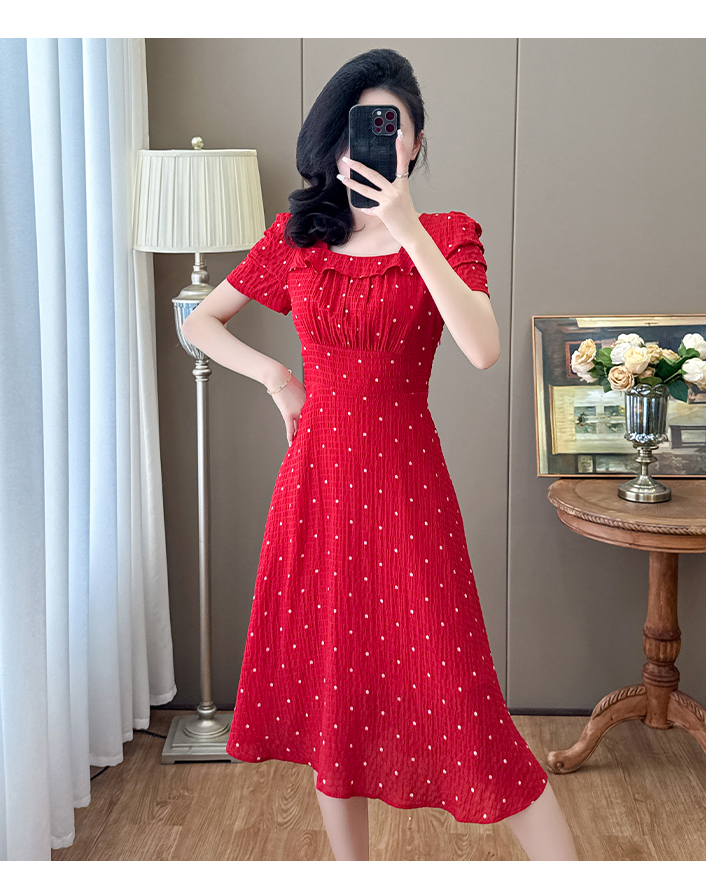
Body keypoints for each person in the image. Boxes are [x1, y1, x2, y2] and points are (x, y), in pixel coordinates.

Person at [181, 47, 579, 862]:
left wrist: (406, 229)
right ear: (331, 142)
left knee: (462, 696)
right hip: (317, 485)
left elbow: (483, 349)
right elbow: (198, 321)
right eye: (355, 127)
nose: (369, 142)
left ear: (414, 143)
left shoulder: (448, 233)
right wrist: (277, 379)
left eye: (387, 126)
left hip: (406, 487)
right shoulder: (296, 238)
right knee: (335, 694)